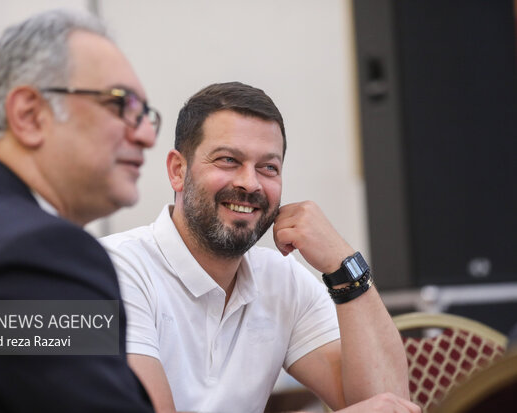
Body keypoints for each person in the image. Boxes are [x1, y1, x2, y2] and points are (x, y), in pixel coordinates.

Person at [0, 9, 158, 412]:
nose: (145, 135)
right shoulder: (31, 252)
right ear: (30, 115)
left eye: (145, 115)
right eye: (122, 104)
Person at [102, 82, 420, 413]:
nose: (250, 183)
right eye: (228, 160)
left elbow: (388, 403)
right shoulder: (106, 271)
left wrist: (344, 265)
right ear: (178, 170)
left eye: (268, 167)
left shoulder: (282, 280)